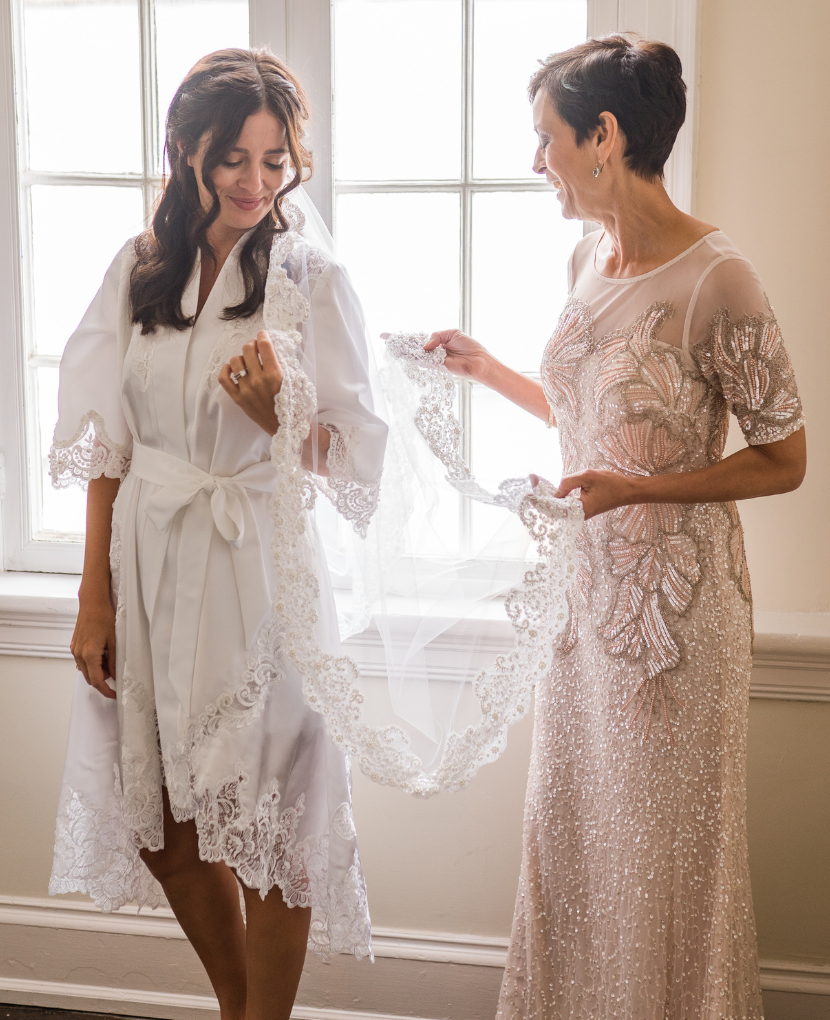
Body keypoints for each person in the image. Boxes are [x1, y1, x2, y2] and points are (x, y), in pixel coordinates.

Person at [427, 34, 806, 1020]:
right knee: (576, 849)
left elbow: (783, 457)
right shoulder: (582, 257)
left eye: (544, 137)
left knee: (668, 865)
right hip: (581, 609)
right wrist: (484, 370)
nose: (535, 161)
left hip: (678, 623)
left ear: (602, 136)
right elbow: (594, 417)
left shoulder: (718, 279)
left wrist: (639, 494)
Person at [48, 48, 386, 1020]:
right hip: (149, 568)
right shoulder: (139, 268)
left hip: (261, 574)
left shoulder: (309, 279)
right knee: (161, 825)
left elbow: (357, 459)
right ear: (183, 149)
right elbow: (107, 443)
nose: (253, 181)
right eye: (232, 157)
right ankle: (242, 1007)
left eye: (274, 161)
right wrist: (92, 596)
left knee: (273, 821)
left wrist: (286, 413)